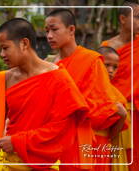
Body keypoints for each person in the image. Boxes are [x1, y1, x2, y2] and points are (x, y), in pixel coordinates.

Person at [0, 18, 89, 171]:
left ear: (24, 43)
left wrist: (18, 141)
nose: (1, 54)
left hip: (44, 162)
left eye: (5, 48)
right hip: (8, 162)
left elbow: (63, 128)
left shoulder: (58, 77)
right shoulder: (5, 79)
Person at [45, 9, 127, 171]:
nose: (49, 36)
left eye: (54, 29)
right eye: (46, 31)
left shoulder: (91, 60)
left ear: (71, 30)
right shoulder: (47, 65)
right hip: (53, 141)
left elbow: (105, 107)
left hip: (86, 138)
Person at [101, 1, 139, 170]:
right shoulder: (106, 48)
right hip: (118, 113)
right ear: (123, 19)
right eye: (137, 17)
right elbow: (102, 82)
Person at [97, 46, 130, 171]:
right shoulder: (87, 87)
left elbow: (113, 134)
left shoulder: (116, 94)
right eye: (107, 65)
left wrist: (123, 116)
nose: (111, 70)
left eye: (115, 67)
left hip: (103, 144)